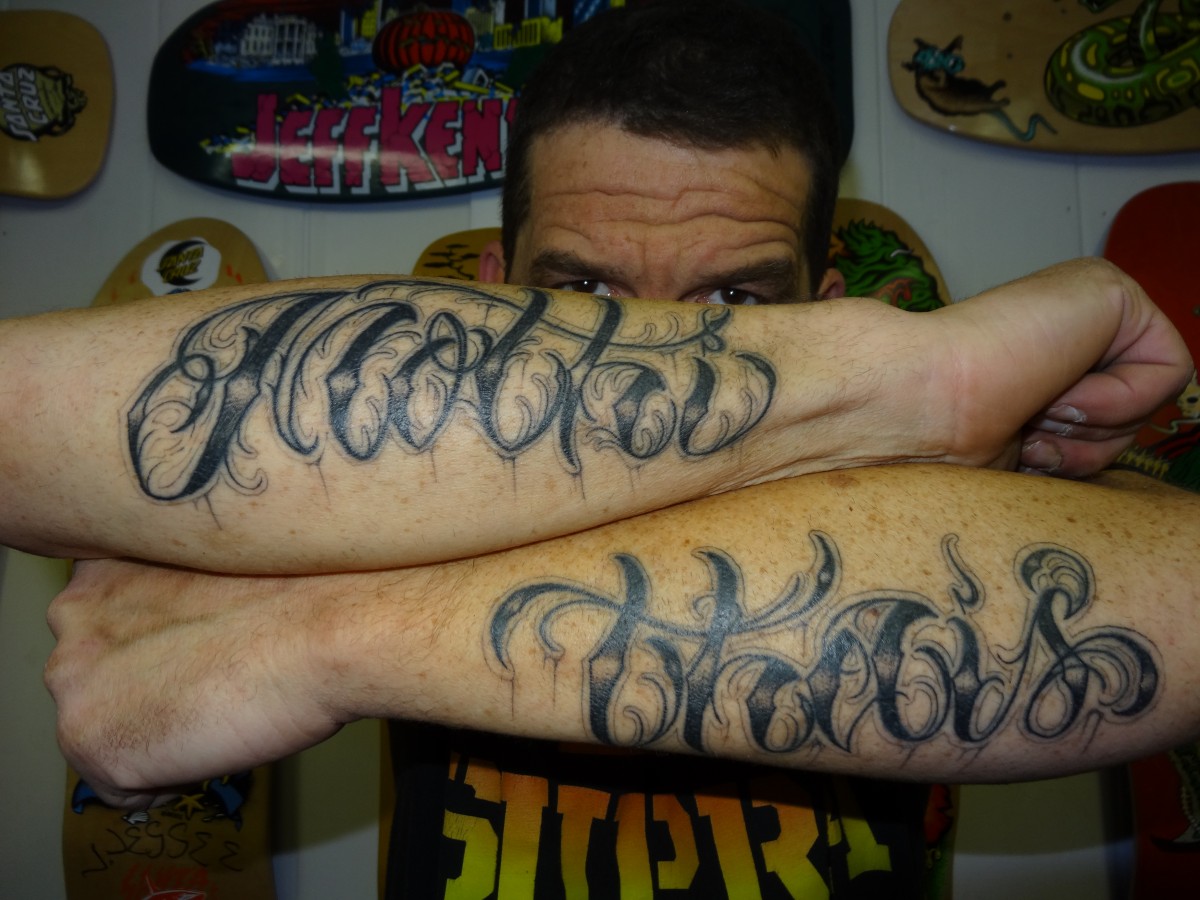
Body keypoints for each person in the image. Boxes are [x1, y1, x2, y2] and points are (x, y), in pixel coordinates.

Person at [6, 1, 1196, 896]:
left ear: (828, 308)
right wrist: (925, 376)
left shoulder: (960, 482)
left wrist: (308, 642)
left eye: (734, 303)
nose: (658, 354)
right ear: (487, 294)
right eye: (583, 295)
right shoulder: (394, 468)